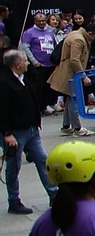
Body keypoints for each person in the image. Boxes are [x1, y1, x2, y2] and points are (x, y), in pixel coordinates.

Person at [0, 48, 56, 214]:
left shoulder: (24, 78)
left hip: (31, 129)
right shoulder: (4, 82)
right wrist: (7, 133)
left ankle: (53, 193)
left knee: (42, 159)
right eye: (25, 61)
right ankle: (14, 200)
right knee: (13, 166)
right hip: (15, 132)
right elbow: (2, 110)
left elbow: (36, 81)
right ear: (17, 64)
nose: (28, 64)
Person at [47, 14, 93, 137]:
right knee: (74, 99)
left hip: (66, 72)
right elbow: (75, 60)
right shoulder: (79, 39)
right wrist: (84, 76)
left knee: (70, 99)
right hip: (70, 74)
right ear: (91, 34)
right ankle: (77, 128)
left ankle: (66, 126)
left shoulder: (74, 34)